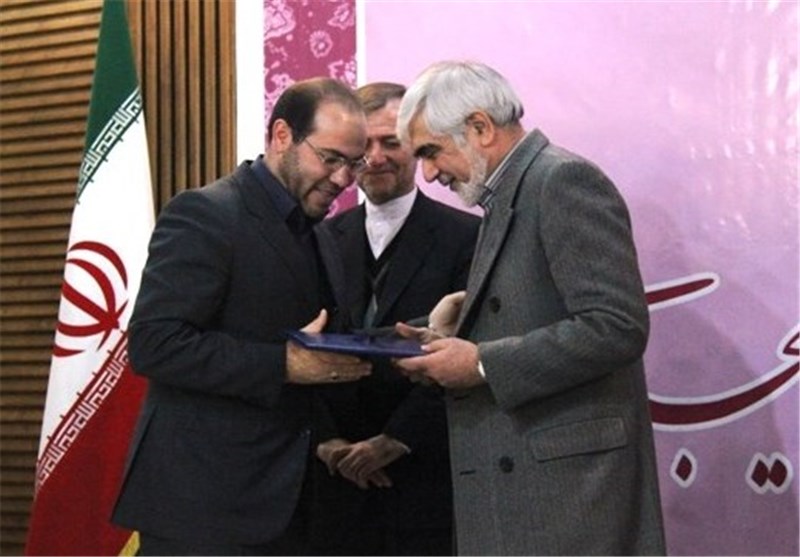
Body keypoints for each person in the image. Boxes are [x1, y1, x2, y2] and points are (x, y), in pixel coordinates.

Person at [393, 61, 667, 555]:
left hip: (570, 499)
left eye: (431, 152)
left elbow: (617, 326)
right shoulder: (508, 193)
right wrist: (452, 336)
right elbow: (532, 309)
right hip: (527, 490)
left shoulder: (562, 181)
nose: (428, 174)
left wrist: (480, 363)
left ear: (480, 127)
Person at [111, 77, 374, 556]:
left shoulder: (317, 231)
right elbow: (154, 344)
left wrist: (417, 335)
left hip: (289, 507)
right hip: (202, 510)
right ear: (282, 136)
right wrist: (283, 364)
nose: (343, 180)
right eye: (330, 158)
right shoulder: (205, 213)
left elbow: (320, 344)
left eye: (354, 164)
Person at [309, 82, 480, 556]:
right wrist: (328, 442)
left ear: (417, 146)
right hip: (335, 484)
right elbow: (302, 346)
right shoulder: (319, 238)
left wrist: (397, 439)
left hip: (425, 480)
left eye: (391, 142)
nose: (376, 157)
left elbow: (471, 349)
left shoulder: (469, 236)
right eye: (363, 145)